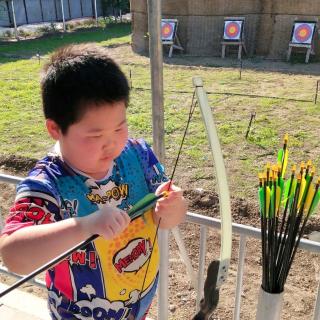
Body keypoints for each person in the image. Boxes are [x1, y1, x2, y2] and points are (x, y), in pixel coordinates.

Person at [0, 44, 187, 320]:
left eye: (120, 127)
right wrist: (85, 225)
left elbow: (170, 215)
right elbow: (13, 254)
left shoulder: (138, 155)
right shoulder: (47, 184)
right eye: (96, 135)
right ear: (55, 129)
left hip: (139, 308)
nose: (113, 144)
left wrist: (173, 209)